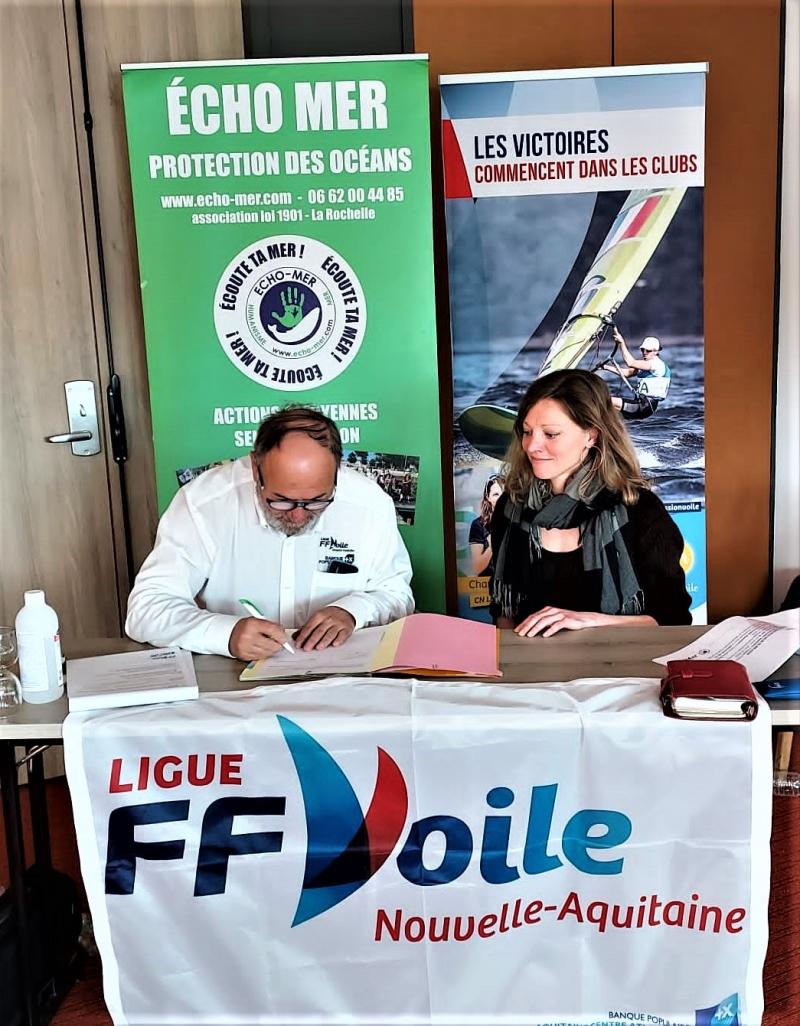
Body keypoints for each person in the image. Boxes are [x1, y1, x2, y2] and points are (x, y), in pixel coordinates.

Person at [126, 406, 414, 660]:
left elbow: (398, 594)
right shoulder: (203, 503)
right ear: (255, 467)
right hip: (232, 678)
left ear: (337, 470)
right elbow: (146, 608)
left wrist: (354, 610)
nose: (298, 516)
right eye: (281, 500)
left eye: (317, 501)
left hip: (345, 677)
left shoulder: (368, 503)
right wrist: (226, 634)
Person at [490, 369, 692, 637]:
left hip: (620, 662)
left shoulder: (641, 509)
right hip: (533, 664)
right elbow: (504, 615)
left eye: (550, 434)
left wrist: (591, 621)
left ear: (591, 435)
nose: (531, 446)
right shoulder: (511, 505)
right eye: (527, 432)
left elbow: (674, 619)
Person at [604, 328, 671, 420]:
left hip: (645, 406)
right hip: (639, 404)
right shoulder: (645, 365)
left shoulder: (656, 364)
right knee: (607, 411)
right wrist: (605, 367)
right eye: (642, 350)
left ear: (656, 351)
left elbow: (630, 362)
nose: (644, 353)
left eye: (648, 351)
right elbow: (627, 373)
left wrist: (622, 343)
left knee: (605, 401)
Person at [469, 474, 506, 575]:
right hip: (488, 582)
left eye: (504, 494)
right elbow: (477, 568)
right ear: (488, 497)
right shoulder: (478, 525)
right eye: (496, 494)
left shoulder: (518, 522)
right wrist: (491, 546)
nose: (501, 499)